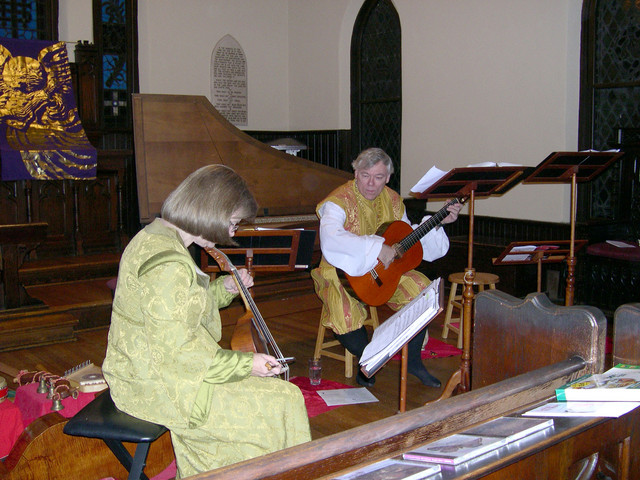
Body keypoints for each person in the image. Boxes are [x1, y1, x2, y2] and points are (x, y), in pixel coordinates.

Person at [102, 164, 311, 478]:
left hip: (162, 367)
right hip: (156, 382)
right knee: (279, 404)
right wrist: (245, 365)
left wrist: (225, 288)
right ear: (210, 211)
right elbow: (176, 352)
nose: (231, 233)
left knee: (284, 400)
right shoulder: (167, 262)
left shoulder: (161, 237)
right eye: (232, 222)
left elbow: (181, 310)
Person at [311, 148, 462, 388]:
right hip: (340, 273)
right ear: (355, 173)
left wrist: (438, 222)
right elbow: (332, 238)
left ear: (388, 177)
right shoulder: (338, 201)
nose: (371, 183)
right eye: (365, 175)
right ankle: (366, 362)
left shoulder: (393, 199)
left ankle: (413, 361)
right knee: (345, 314)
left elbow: (405, 235)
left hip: (384, 271)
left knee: (422, 291)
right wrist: (376, 247)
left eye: (378, 177)